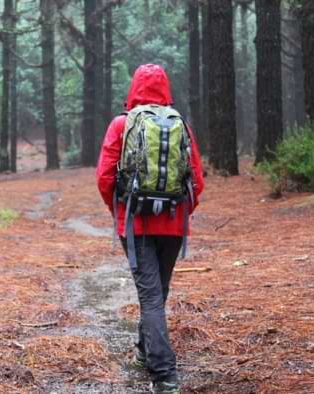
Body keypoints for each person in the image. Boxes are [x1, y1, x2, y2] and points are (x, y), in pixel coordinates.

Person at [95, 64, 205, 394]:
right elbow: (196, 181)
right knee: (158, 293)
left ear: (133, 89)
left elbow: (104, 177)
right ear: (165, 89)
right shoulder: (179, 124)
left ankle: (164, 375)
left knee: (151, 297)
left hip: (136, 223)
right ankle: (146, 351)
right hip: (172, 224)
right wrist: (180, 213)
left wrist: (120, 212)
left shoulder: (121, 124)